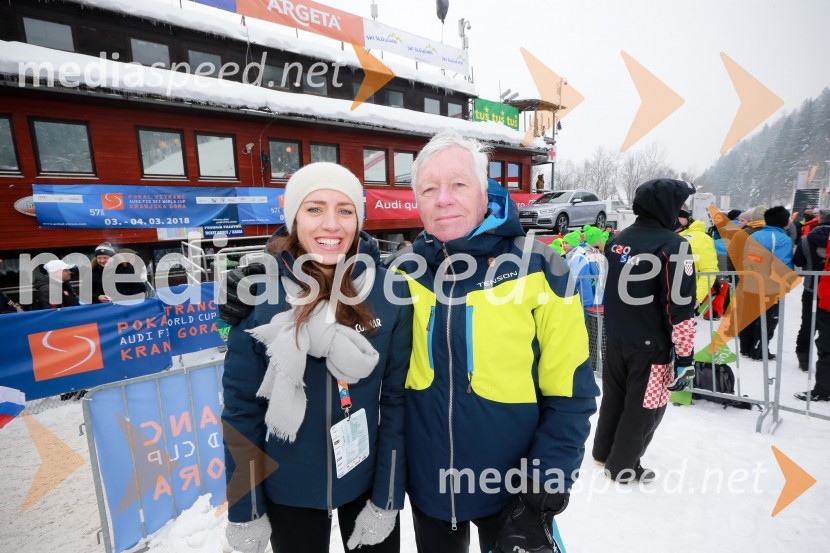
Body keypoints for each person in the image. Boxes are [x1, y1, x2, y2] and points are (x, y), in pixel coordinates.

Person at [392, 129, 597, 553]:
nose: (443, 199)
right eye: (429, 189)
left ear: (485, 192)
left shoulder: (541, 267)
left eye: (458, 184)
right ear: (417, 201)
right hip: (429, 484)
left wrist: (543, 490)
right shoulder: (400, 272)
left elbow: (571, 393)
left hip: (513, 491)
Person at [222, 162, 411, 553]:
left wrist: (387, 500)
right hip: (287, 488)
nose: (331, 224)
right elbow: (241, 411)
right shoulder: (259, 292)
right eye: (314, 209)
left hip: (365, 479)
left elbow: (396, 404)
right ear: (294, 218)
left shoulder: (389, 292)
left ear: (358, 220)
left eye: (345, 210)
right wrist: (246, 511)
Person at [592, 178, 697, 484]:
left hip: (616, 338)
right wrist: (685, 357)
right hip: (652, 345)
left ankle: (603, 451)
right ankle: (623, 466)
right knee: (646, 407)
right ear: (667, 206)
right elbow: (680, 305)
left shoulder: (618, 239)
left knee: (615, 397)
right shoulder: (674, 245)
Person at [737, 206, 794, 361]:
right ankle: (758, 350)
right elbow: (782, 265)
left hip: (751, 282)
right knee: (769, 319)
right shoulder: (783, 239)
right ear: (784, 221)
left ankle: (745, 347)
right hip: (771, 286)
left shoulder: (754, 236)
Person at [794, 208, 830, 402]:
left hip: (811, 288)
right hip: (826, 291)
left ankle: (804, 359)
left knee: (808, 324)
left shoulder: (807, 239)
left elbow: (797, 260)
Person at [676, 205, 719, 309]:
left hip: (684, 297)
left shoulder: (701, 237)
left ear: (685, 217)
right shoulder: (661, 235)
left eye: (677, 216)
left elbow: (709, 271)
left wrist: (696, 298)